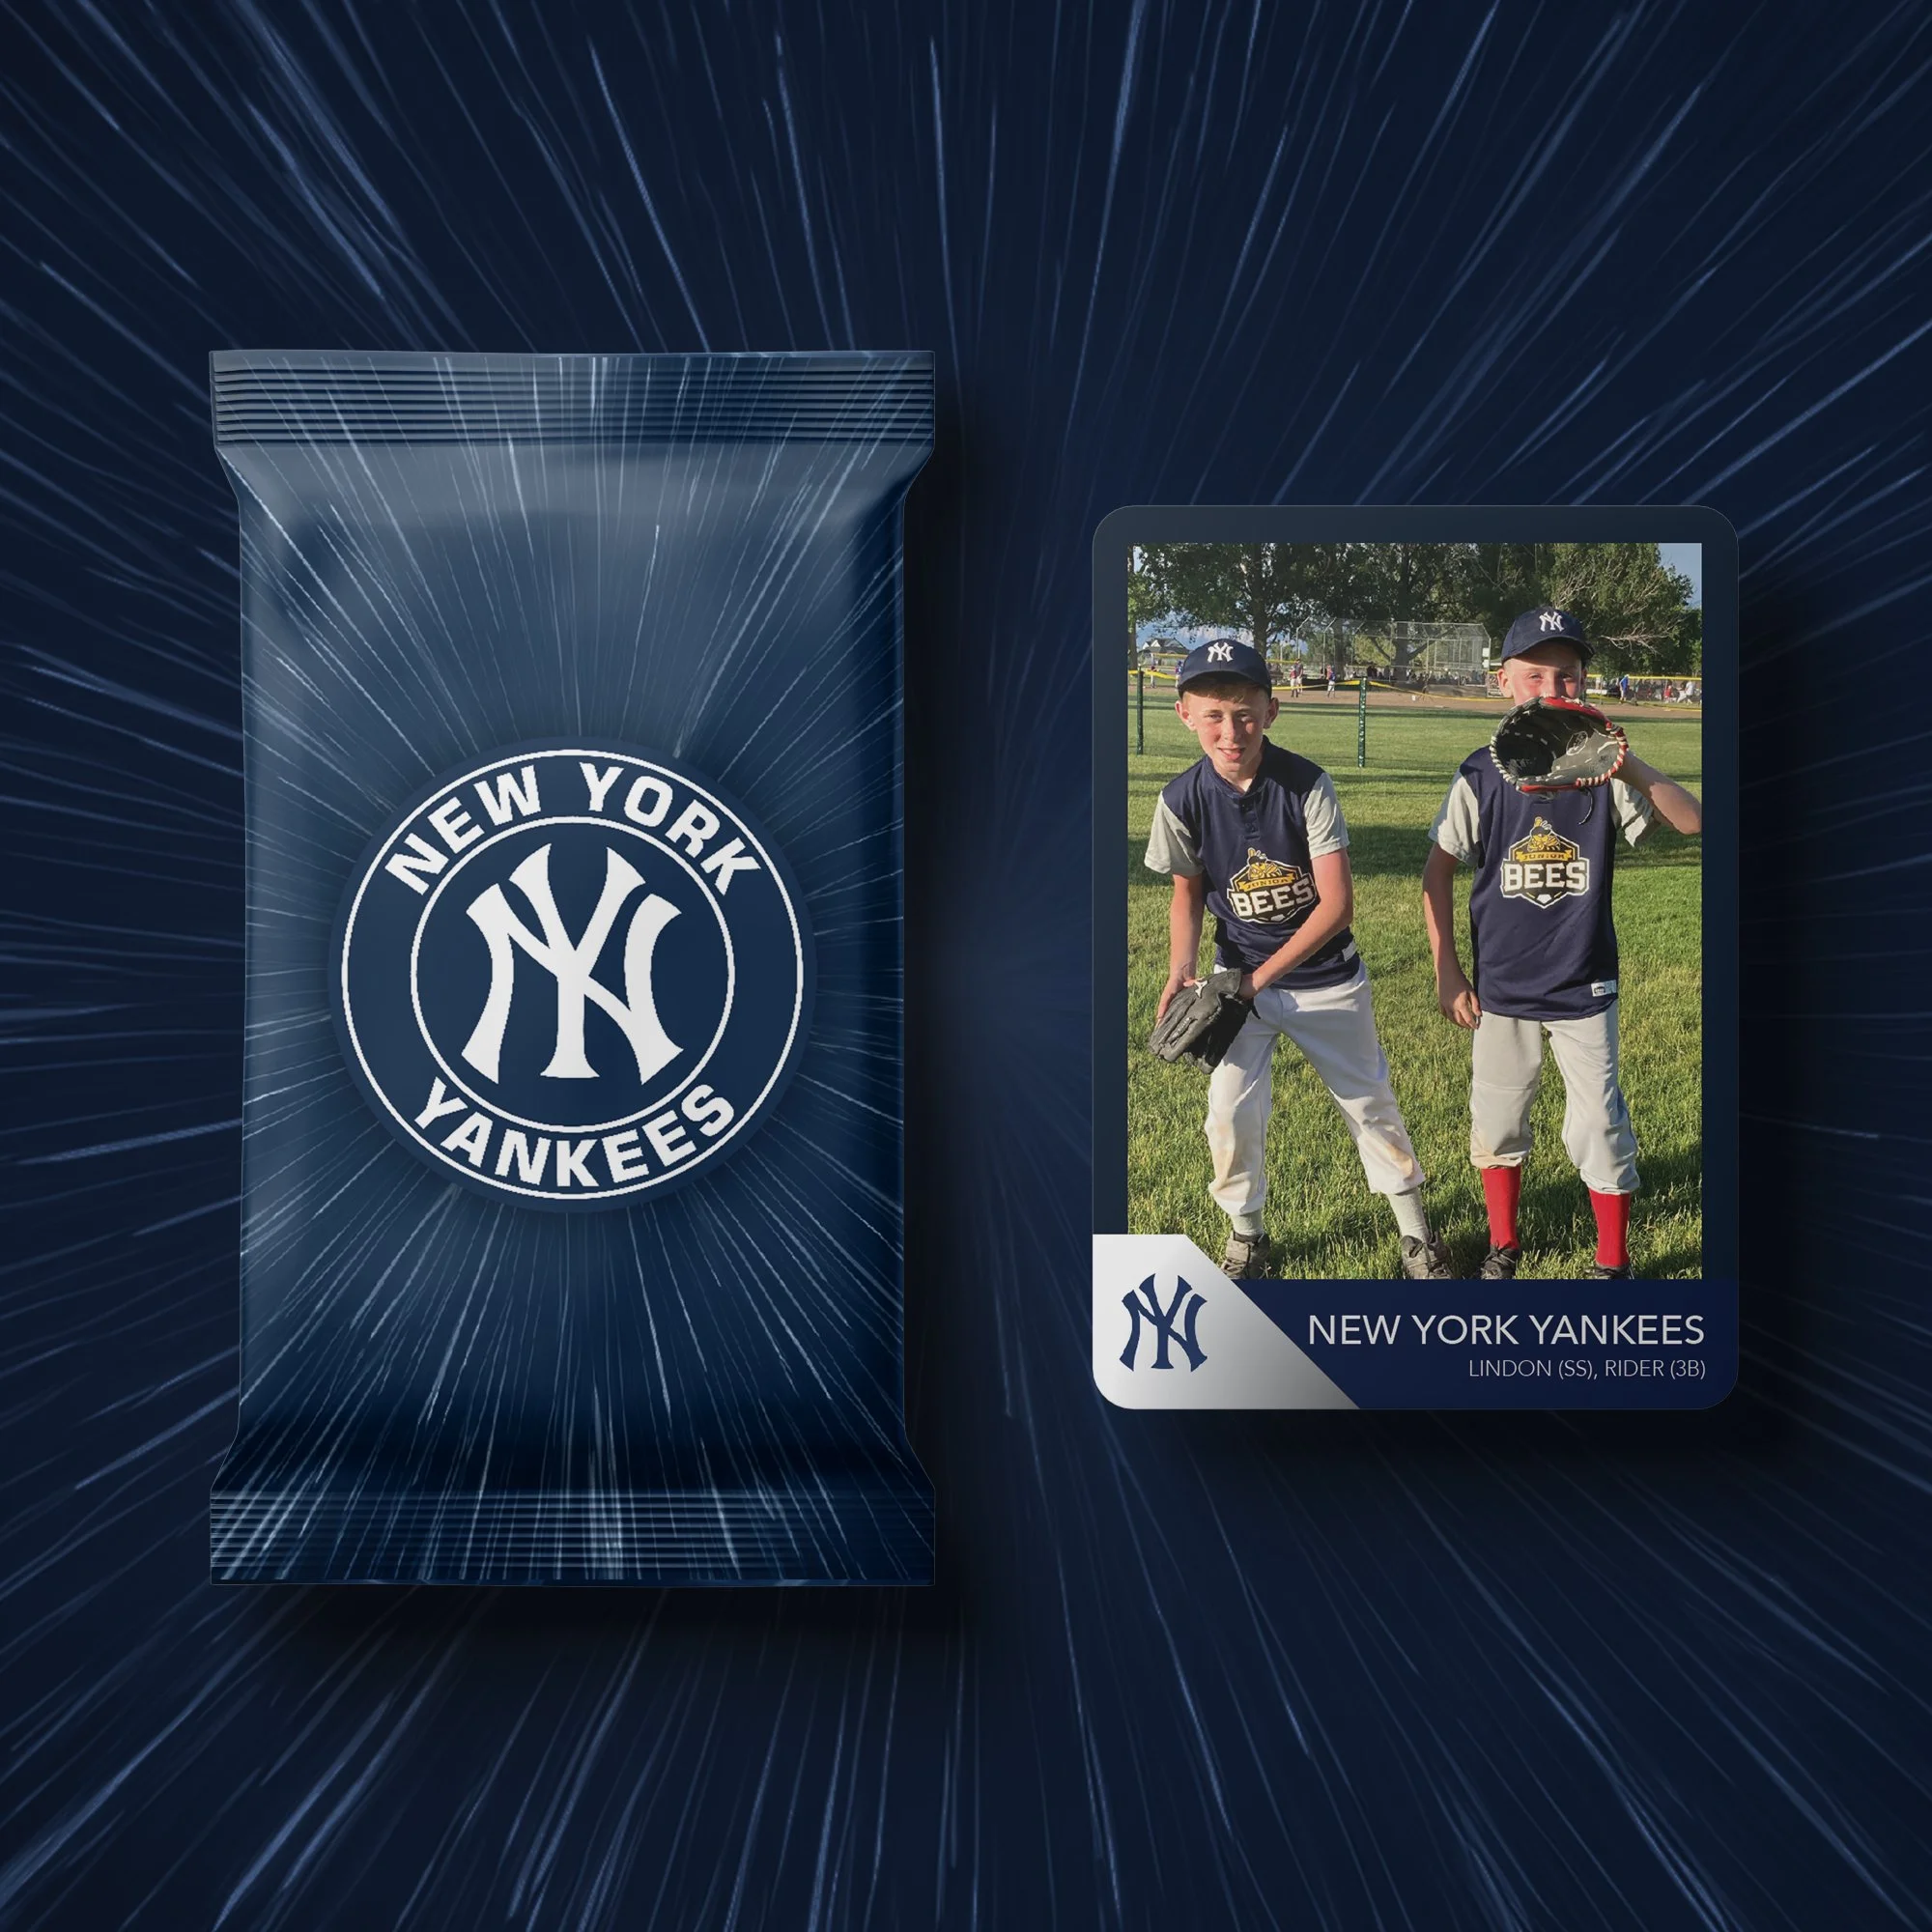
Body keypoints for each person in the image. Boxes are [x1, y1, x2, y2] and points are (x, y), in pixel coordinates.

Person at [1148, 639, 1451, 1280]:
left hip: (1324, 980)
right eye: (1213, 714)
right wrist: (1181, 967)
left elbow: (1337, 906)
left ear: (1273, 709)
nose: (1231, 731)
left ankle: (1418, 1240)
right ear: (1183, 714)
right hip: (1238, 984)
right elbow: (1187, 895)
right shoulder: (1179, 799)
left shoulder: (1306, 784)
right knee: (1229, 1111)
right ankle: (1247, 1238)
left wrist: (1257, 980)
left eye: (1246, 713)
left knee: (1367, 1102)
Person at [1421, 608, 1702, 1279]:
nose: (1554, 689)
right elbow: (1437, 874)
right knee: (1497, 1120)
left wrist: (1627, 765)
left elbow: (1693, 823)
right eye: (1535, 675)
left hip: (1583, 983)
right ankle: (1504, 1245)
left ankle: (1612, 1263)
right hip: (1502, 985)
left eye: (1569, 676)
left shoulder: (1603, 776)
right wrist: (1447, 971)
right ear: (1504, 681)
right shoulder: (1481, 775)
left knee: (1599, 1126)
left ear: (1585, 683)